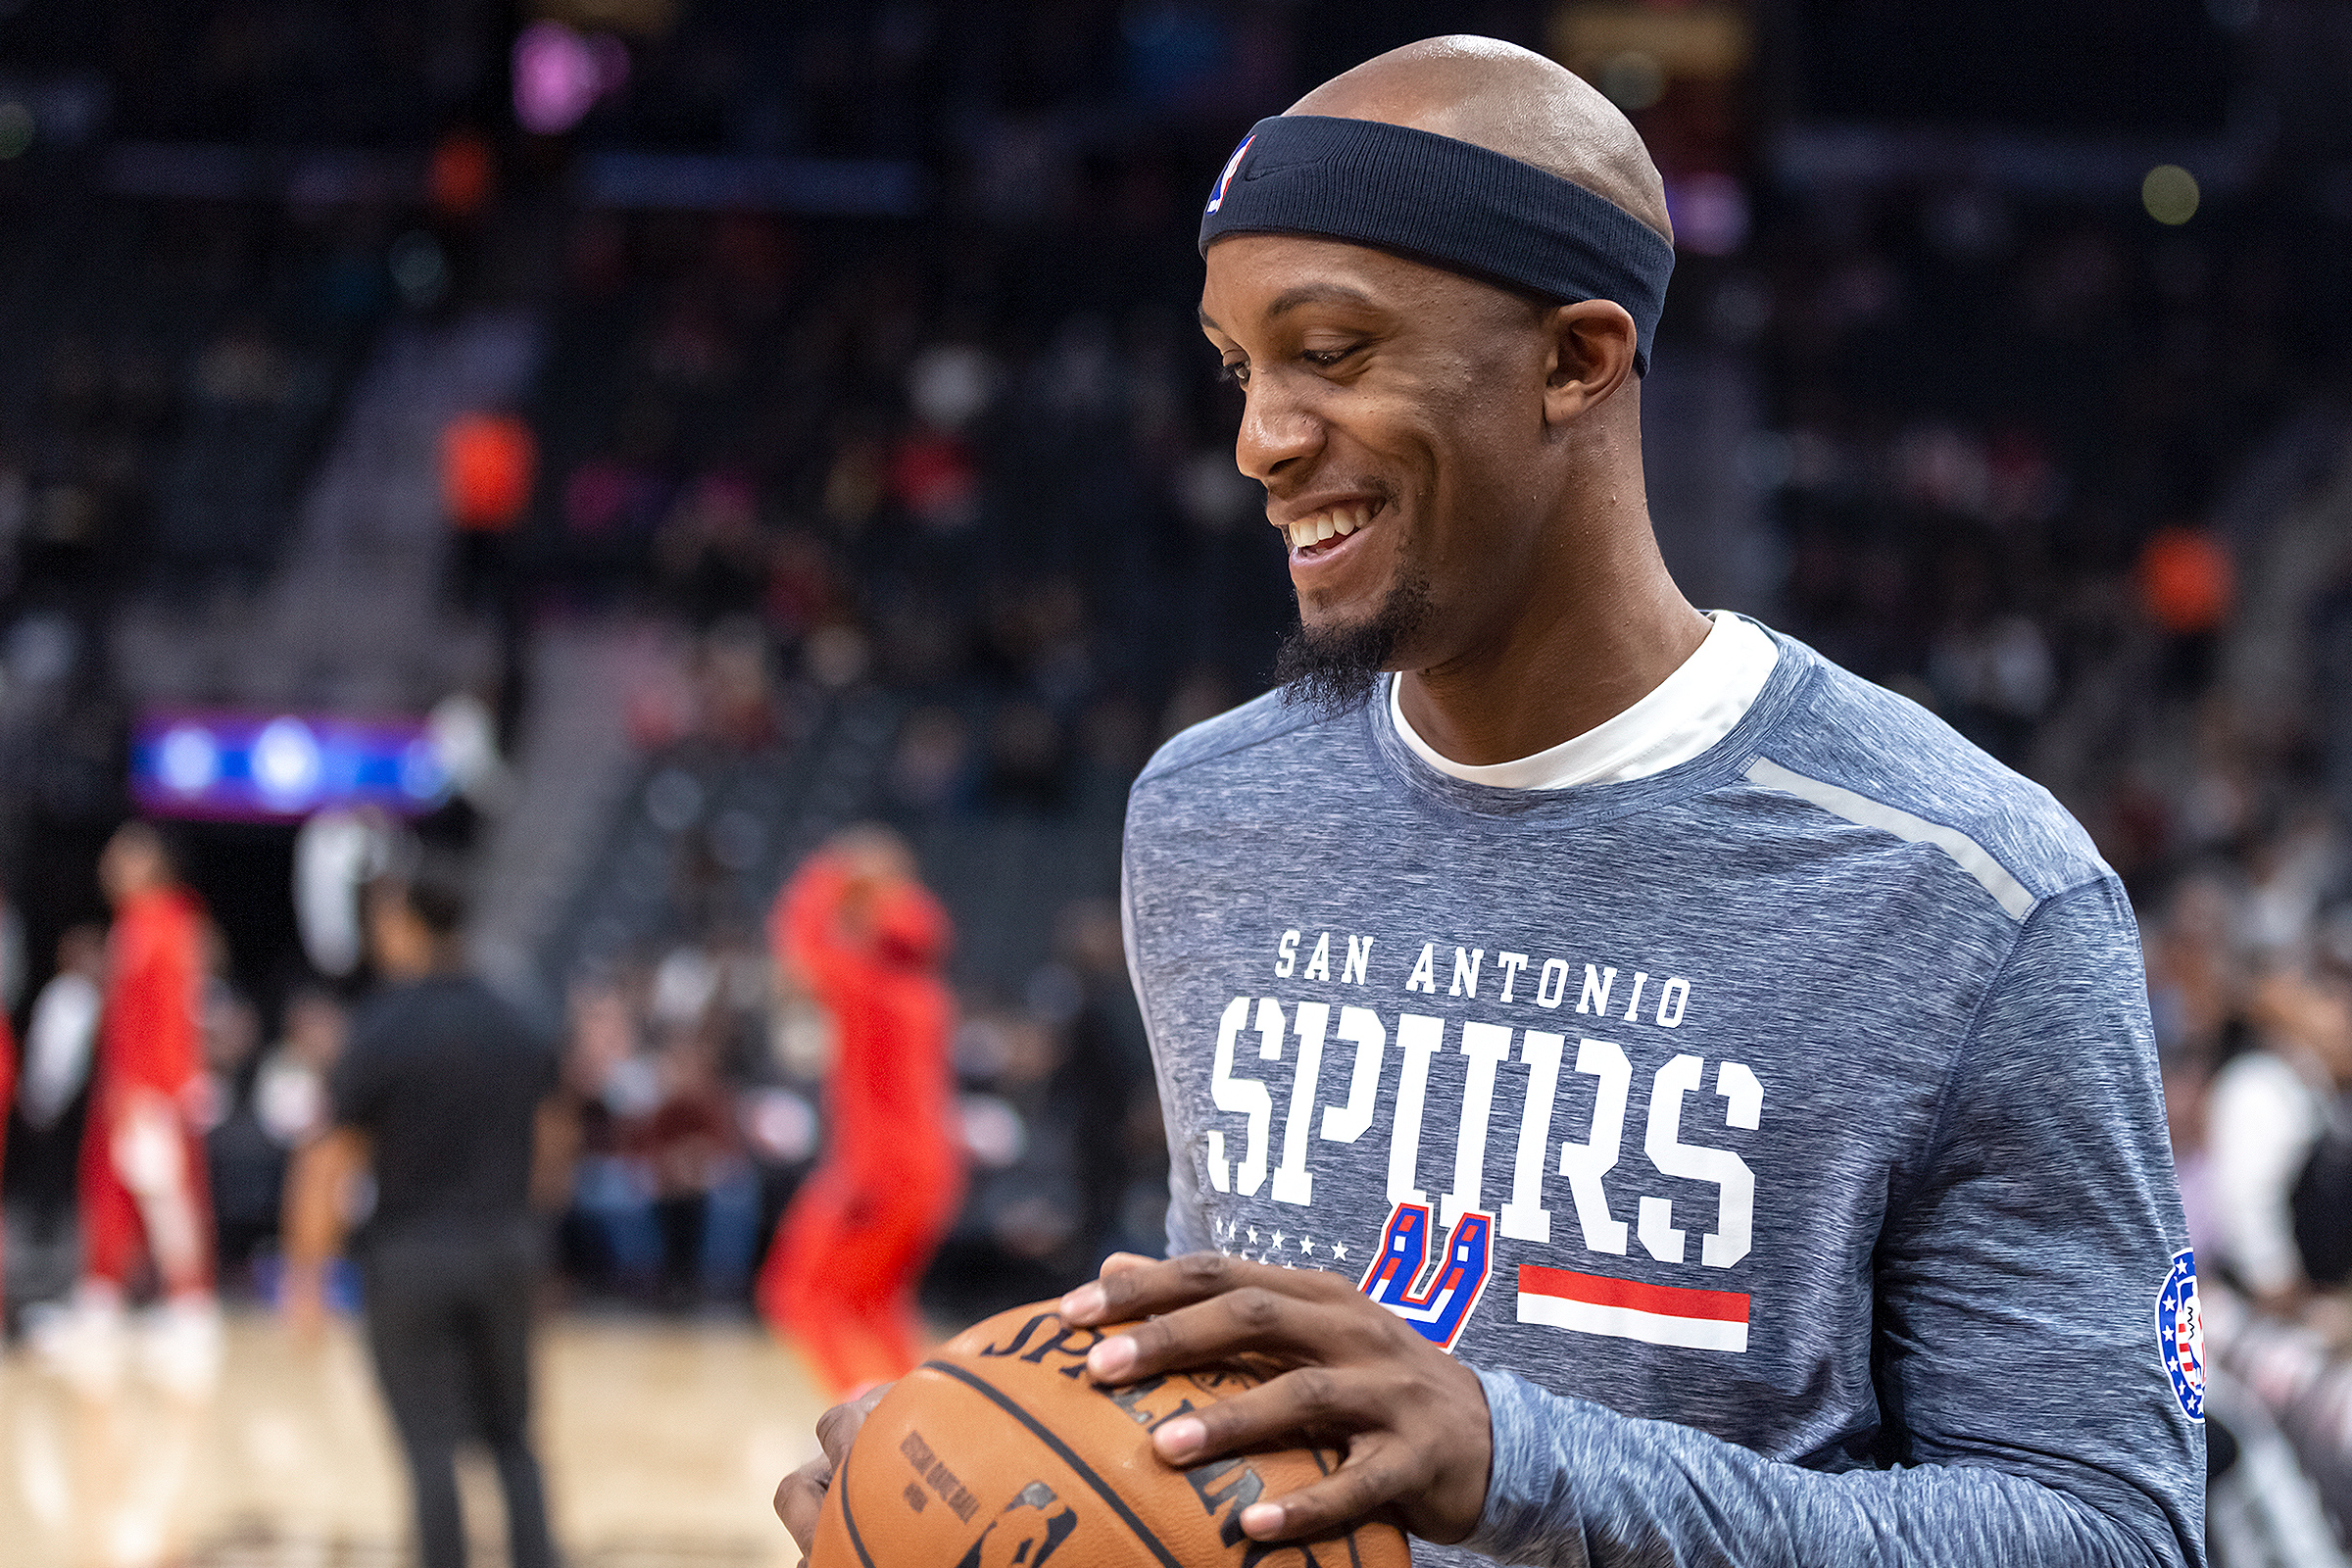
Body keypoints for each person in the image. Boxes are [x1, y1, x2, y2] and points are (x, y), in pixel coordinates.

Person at [781, 36, 2202, 1568]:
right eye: (1240, 369)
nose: (1260, 441)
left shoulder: (1970, 891)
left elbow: (2112, 1535)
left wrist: (1525, 1462)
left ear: (1576, 360)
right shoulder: (1210, 811)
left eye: (1332, 352)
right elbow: (1239, 1450)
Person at [281, 857, 570, 1568]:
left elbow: (329, 1160)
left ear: (404, 923)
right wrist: (526, 1229)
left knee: (429, 1447)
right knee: (515, 1439)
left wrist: (307, 1279)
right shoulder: (518, 1016)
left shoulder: (381, 1027)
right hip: (504, 1248)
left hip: (409, 1257)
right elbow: (555, 1140)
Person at [757, 828, 962, 1398]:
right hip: (930, 1175)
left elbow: (797, 934)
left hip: (876, 1173)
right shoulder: (927, 993)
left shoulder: (864, 985)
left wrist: (834, 870)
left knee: (795, 1296)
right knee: (876, 1304)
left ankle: (861, 1419)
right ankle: (919, 1411)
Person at [64, 821, 219, 1391]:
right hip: (129, 1086)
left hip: (150, 1089)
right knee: (114, 1195)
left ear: (152, 865)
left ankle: (191, 1308)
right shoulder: (136, 924)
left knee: (167, 1198)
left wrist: (160, 1087)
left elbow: (170, 1018)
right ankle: (103, 1300)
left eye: (123, 857)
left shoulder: (165, 924)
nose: (110, 866)